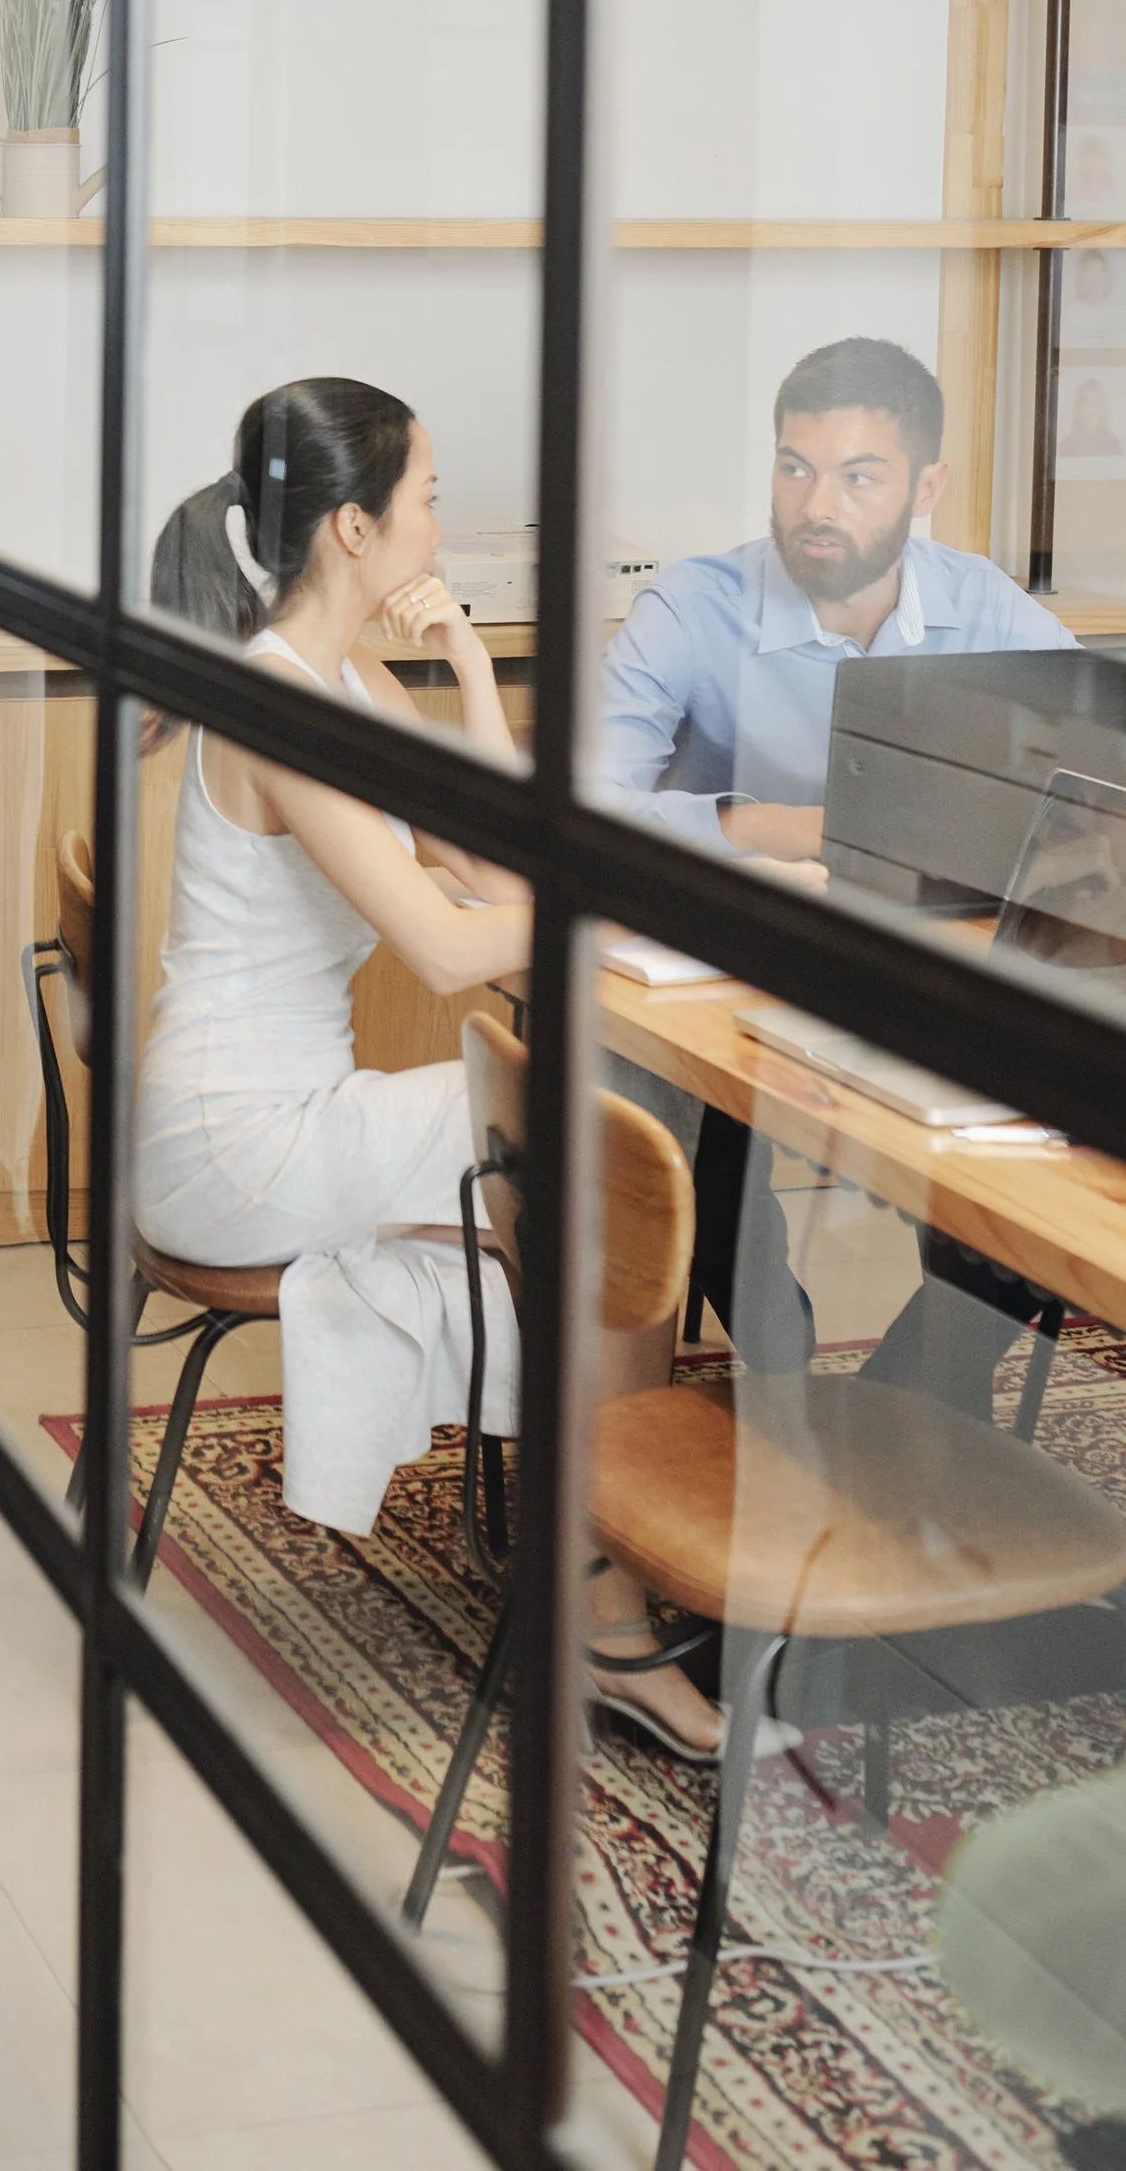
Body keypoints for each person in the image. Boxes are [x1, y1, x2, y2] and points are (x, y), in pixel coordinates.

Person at [139, 379, 750, 1759]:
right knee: (599, 1167)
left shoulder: (341, 674)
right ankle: (604, 1601)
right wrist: (637, 900)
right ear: (352, 526)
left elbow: (487, 857)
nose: (440, 521)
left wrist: (471, 669)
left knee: (588, 1168)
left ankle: (601, 1559)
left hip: (287, 1110)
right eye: (424, 498)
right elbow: (443, 941)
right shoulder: (278, 702)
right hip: (241, 1140)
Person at [595, 333, 1073, 1397]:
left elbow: (1091, 770)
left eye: (858, 477)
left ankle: (917, 1394)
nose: (818, 503)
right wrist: (783, 827)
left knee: (1043, 1131)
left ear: (926, 486)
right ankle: (782, 1370)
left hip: (916, 964)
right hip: (730, 972)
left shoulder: (981, 605)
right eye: (794, 466)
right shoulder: (693, 606)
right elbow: (586, 803)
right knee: (677, 1094)